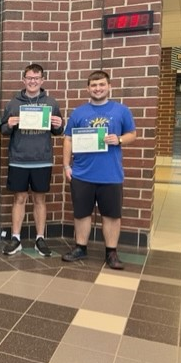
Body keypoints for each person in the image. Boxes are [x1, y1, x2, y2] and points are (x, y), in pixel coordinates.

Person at [61, 70, 136, 270]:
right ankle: (80, 247)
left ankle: (111, 252)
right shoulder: (79, 112)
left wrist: (119, 139)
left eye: (102, 84)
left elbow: (132, 134)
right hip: (82, 173)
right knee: (81, 213)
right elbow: (68, 139)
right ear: (88, 88)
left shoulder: (121, 110)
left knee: (111, 215)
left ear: (109, 86)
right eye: (94, 85)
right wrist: (66, 165)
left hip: (111, 174)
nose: (98, 88)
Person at [0, 64, 64, 256]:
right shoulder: (13, 103)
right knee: (19, 198)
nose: (32, 81)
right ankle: (16, 238)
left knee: (39, 199)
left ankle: (39, 238)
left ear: (42, 80)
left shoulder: (51, 103)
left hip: (42, 159)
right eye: (29, 78)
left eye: (36, 78)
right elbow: (3, 130)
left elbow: (58, 131)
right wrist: (9, 124)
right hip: (19, 159)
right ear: (24, 79)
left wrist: (59, 125)